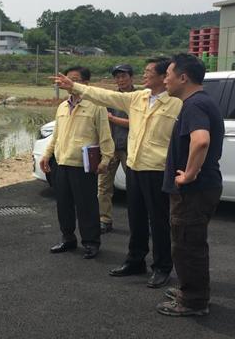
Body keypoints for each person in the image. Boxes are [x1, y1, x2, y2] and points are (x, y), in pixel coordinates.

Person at [53, 57, 182, 288]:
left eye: (149, 71)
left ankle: (162, 266)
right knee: (137, 219)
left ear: (164, 77)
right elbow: (106, 96)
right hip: (135, 167)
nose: (145, 75)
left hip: (158, 170)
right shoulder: (138, 98)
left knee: (159, 222)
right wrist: (75, 86)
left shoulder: (176, 103)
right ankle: (135, 260)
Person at [156, 53, 225, 317]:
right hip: (200, 190)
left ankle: (194, 301)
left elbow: (201, 141)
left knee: (187, 246)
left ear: (183, 77)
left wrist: (189, 175)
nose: (165, 80)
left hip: (194, 191)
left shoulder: (194, 105)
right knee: (190, 242)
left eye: (169, 75)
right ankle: (190, 290)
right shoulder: (200, 101)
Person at [40, 66, 114, 259]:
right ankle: (68, 238)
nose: (69, 82)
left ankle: (91, 242)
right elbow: (56, 135)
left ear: (86, 84)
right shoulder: (62, 106)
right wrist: (47, 155)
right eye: (67, 78)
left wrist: (106, 159)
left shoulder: (96, 105)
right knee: (63, 204)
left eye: (75, 79)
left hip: (83, 165)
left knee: (86, 205)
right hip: (62, 162)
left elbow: (105, 135)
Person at [98, 64, 134, 234]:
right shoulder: (112, 97)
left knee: (136, 187)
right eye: (117, 77)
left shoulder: (138, 97)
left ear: (131, 77)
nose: (120, 80)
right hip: (111, 149)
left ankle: (142, 221)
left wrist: (112, 118)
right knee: (104, 186)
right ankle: (105, 220)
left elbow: (137, 123)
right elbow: (103, 123)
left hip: (130, 149)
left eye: (123, 76)